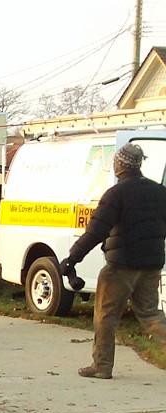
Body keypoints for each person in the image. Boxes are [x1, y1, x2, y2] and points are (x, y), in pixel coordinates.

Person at [60, 142, 166, 379]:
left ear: (121, 165)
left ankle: (102, 365)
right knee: (150, 315)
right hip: (151, 265)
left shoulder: (116, 194)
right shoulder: (160, 192)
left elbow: (96, 231)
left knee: (106, 315)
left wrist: (72, 258)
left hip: (121, 266)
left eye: (116, 162)